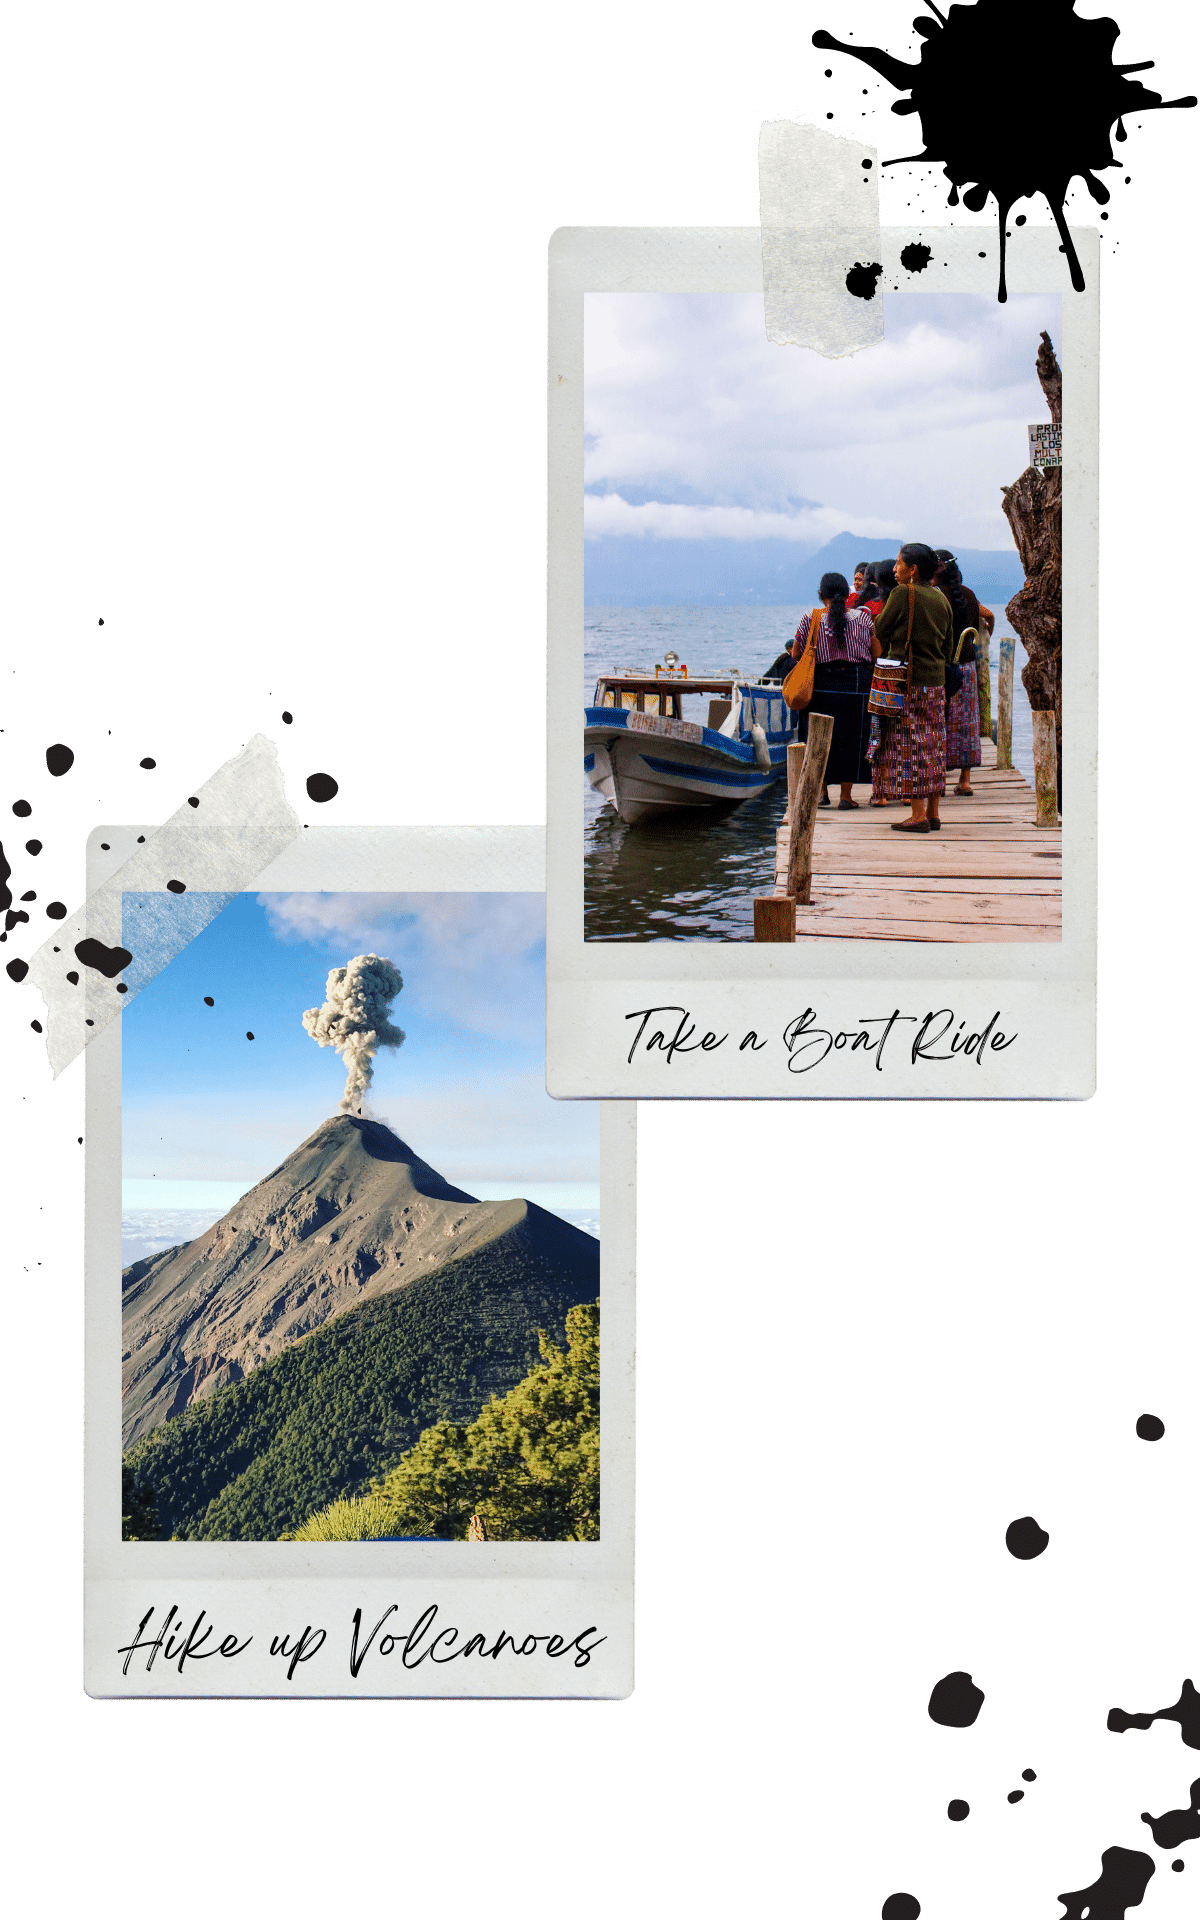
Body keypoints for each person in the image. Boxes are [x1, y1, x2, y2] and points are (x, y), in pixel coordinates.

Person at [870, 543, 954, 831]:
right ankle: (933, 812)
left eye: (898, 564)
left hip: (907, 680)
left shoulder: (904, 592)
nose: (894, 569)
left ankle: (917, 815)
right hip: (937, 682)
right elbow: (949, 644)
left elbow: (879, 630)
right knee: (934, 743)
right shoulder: (941, 598)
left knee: (909, 743)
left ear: (913, 569)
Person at [788, 572, 877, 808]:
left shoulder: (811, 617)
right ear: (848, 595)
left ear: (820, 595)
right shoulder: (863, 618)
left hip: (820, 684)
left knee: (818, 737)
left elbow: (796, 654)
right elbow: (875, 652)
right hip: (857, 684)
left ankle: (821, 793)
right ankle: (846, 796)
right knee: (852, 737)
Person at [933, 558, 982, 794]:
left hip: (942, 666)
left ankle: (938, 779)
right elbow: (977, 629)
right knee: (966, 722)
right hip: (967, 665)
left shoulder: (935, 597)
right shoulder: (969, 594)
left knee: (939, 720)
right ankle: (964, 780)